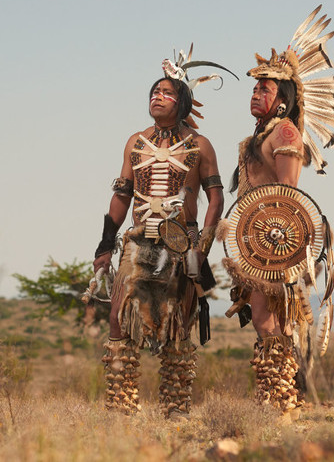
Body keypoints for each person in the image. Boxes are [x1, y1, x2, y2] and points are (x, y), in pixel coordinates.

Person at [92, 47, 235, 417]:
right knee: (119, 318)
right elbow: (121, 195)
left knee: (178, 322)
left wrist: (201, 246)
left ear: (183, 102)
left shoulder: (200, 146)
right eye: (153, 92)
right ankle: (121, 406)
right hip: (138, 243)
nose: (157, 96)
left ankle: (175, 407)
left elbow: (215, 198)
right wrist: (105, 245)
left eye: (166, 92)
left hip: (180, 242)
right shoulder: (135, 143)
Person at [220, 5, 334, 418]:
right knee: (264, 318)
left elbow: (288, 194)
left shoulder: (286, 133)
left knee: (272, 319)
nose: (255, 94)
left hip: (278, 238)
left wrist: (273, 243)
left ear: (282, 101)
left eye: (264, 89)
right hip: (258, 240)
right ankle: (280, 394)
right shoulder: (260, 137)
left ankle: (282, 397)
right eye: (254, 89)